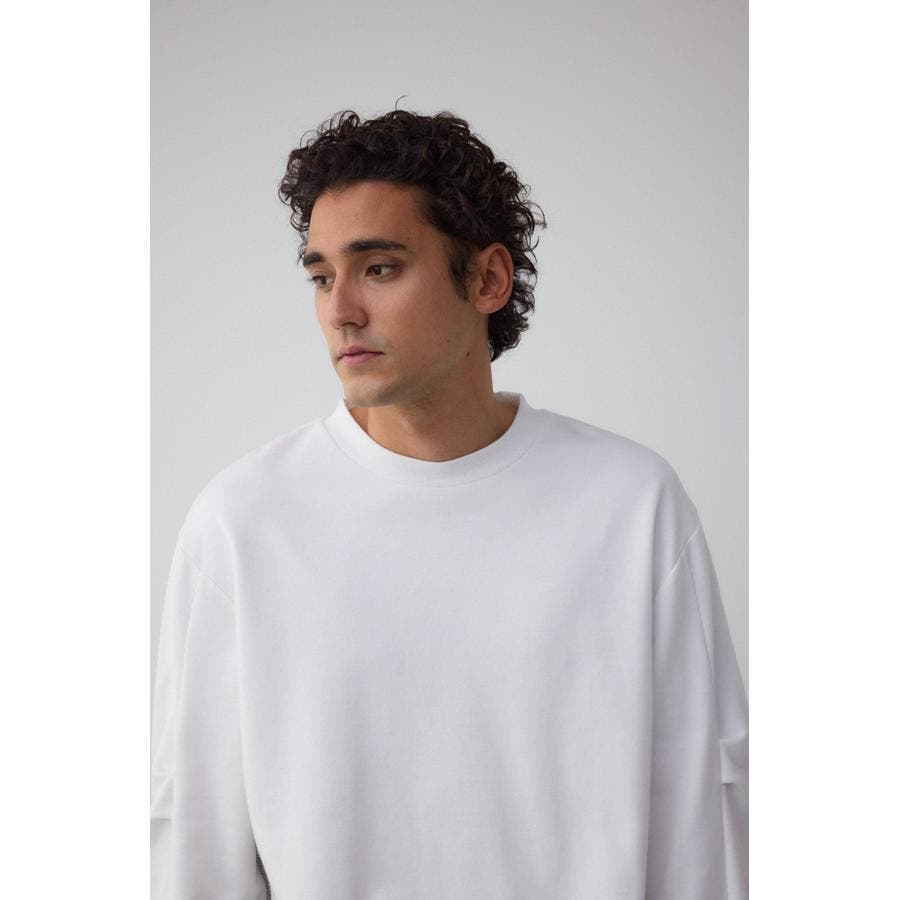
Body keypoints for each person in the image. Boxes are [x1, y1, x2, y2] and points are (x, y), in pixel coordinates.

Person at [150, 108, 749, 899]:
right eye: (322, 276)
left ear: (488, 280)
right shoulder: (243, 524)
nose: (340, 309)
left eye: (380, 268)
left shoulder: (632, 508)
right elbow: (196, 837)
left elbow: (699, 828)